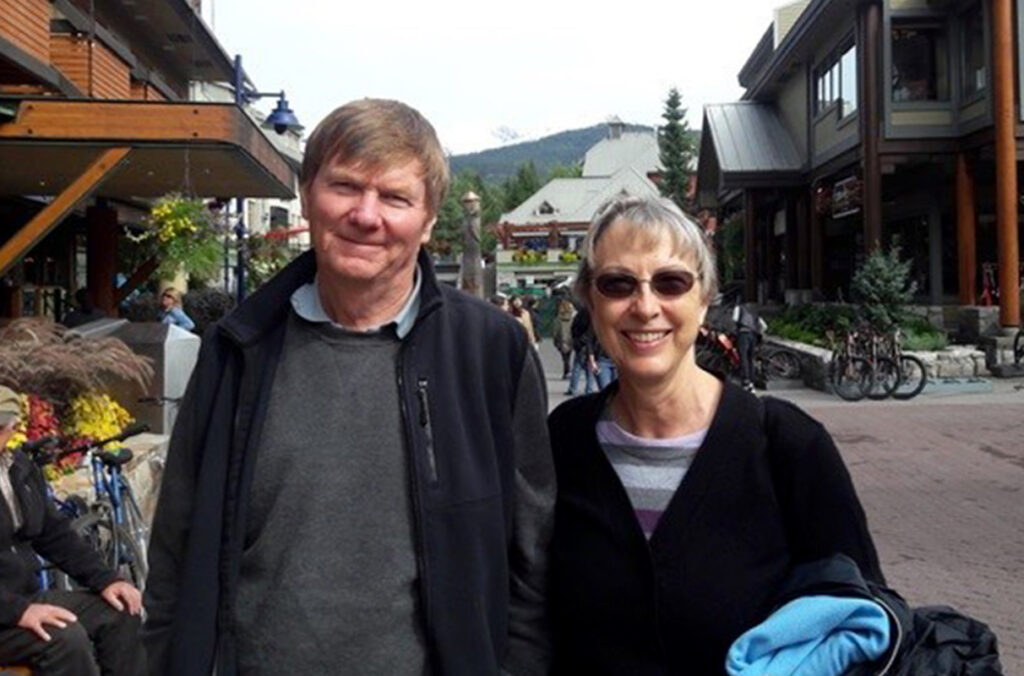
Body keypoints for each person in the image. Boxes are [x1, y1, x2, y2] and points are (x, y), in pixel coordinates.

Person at [143, 99, 555, 676]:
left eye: (395, 197)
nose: (367, 215)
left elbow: (531, 561)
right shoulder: (238, 348)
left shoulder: (491, 352)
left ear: (430, 218)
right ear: (308, 196)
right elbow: (176, 550)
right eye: (345, 187)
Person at [546, 196, 883, 674]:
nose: (645, 307)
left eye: (671, 282)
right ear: (591, 301)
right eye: (618, 284)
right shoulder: (563, 441)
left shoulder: (787, 445)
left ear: (703, 298)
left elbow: (859, 614)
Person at [0, 386, 144, 676]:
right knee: (64, 638)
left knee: (121, 611)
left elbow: (55, 535)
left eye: (3, 426)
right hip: (7, 608)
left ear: (12, 428)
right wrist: (17, 611)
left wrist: (106, 579)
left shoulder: (18, 467)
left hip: (22, 598)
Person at [733, 301, 768, 392]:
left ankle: (745, 381)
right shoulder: (754, 310)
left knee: (743, 358)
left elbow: (735, 319)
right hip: (753, 336)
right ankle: (751, 381)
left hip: (743, 334)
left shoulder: (739, 308)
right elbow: (764, 326)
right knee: (751, 358)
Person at [565, 307, 596, 396]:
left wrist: (577, 340)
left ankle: (573, 388)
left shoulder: (580, 315)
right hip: (588, 343)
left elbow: (573, 328)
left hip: (580, 343)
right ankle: (589, 389)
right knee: (589, 368)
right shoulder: (593, 315)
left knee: (577, 367)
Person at [552, 298, 575, 379]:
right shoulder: (572, 319)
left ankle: (566, 371)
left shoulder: (558, 319)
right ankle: (568, 371)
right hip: (570, 340)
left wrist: (555, 341)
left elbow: (556, 331)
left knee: (564, 358)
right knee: (568, 356)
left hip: (561, 341)